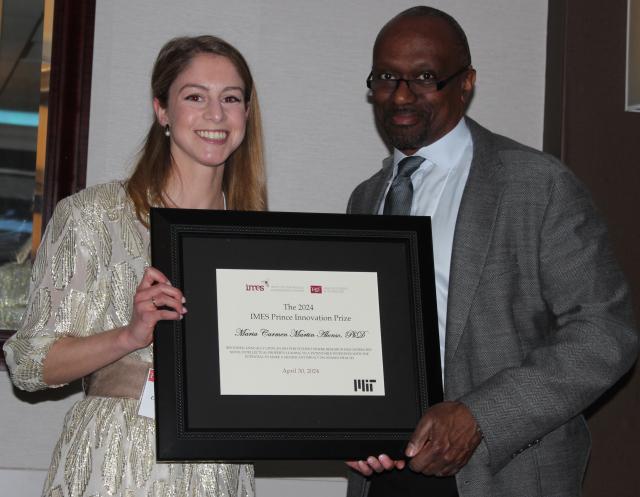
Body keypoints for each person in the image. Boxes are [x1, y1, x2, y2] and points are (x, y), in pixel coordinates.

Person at [346, 6, 638, 497]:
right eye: (385, 77)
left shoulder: (536, 185)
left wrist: (480, 416)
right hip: (383, 477)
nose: (400, 95)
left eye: (424, 77)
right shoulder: (365, 198)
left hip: (501, 471)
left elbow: (606, 332)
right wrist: (344, 421)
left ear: (466, 83)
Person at [3, 35, 266, 497]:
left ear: (246, 112)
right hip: (117, 463)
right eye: (194, 97)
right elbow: (27, 363)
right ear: (162, 110)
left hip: (220, 467)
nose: (216, 114)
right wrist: (129, 334)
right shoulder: (93, 215)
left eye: (231, 98)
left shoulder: (261, 238)